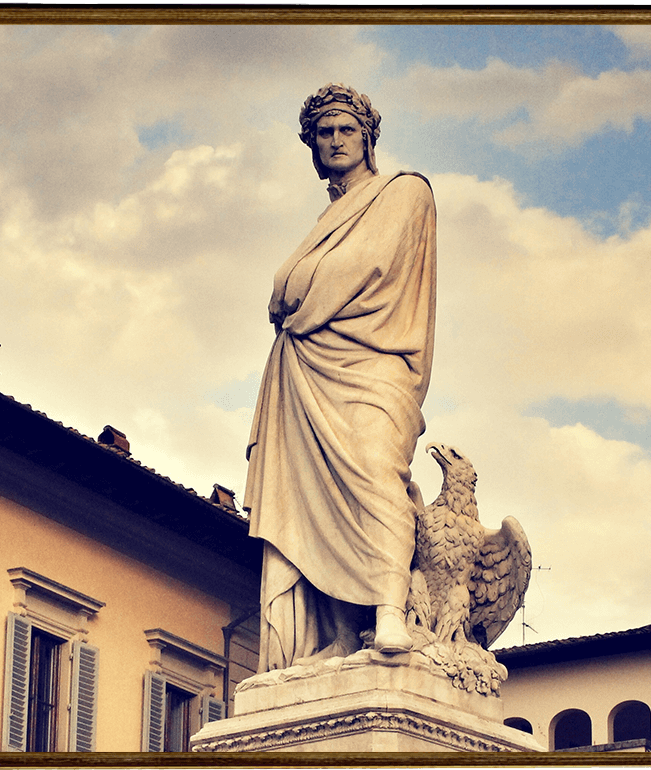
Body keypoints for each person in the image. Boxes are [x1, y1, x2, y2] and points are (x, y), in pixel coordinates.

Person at [244, 84, 437, 671]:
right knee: (309, 496)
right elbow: (297, 281)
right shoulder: (326, 218)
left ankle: (389, 611)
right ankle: (336, 632)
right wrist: (290, 290)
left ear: (367, 137)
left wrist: (290, 293)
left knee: (377, 473)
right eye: (322, 133)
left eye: (344, 129)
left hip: (376, 361)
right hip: (307, 368)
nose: (333, 141)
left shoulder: (405, 192)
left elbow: (360, 266)